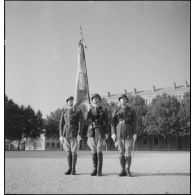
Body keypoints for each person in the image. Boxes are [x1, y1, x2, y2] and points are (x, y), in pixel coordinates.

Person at [111, 94, 137, 177]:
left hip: (129, 132)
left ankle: (127, 169)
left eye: (124, 99)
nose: (123, 100)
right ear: (119, 101)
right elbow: (112, 123)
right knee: (121, 152)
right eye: (121, 99)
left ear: (126, 100)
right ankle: (122, 170)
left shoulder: (131, 110)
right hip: (119, 132)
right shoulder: (116, 111)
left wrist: (135, 133)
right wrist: (113, 133)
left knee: (128, 152)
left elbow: (135, 123)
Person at [59, 96, 83, 175]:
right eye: (69, 101)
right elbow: (61, 125)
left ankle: (73, 169)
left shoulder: (78, 111)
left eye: (72, 100)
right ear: (67, 103)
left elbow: (80, 123)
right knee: (68, 152)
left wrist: (79, 133)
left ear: (74, 102)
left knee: (74, 152)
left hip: (74, 133)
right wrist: (61, 135)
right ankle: (69, 168)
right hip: (66, 134)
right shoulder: (64, 112)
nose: (70, 102)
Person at [86, 93, 108, 176]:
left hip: (100, 131)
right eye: (93, 98)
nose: (94, 99)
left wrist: (106, 132)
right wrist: (88, 110)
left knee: (99, 150)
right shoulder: (90, 109)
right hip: (91, 131)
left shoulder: (103, 110)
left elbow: (106, 122)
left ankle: (99, 170)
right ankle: (94, 169)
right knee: (93, 150)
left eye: (96, 98)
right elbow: (86, 119)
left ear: (99, 99)